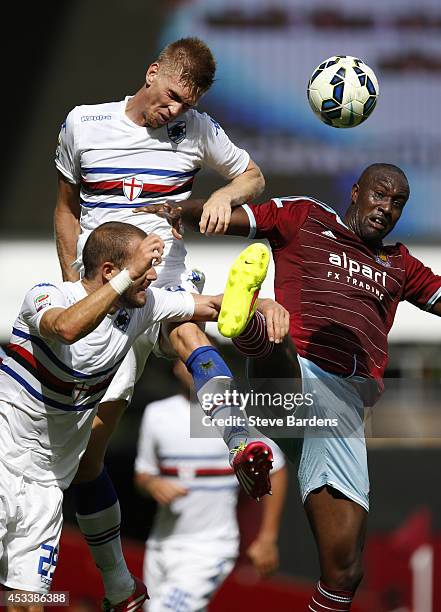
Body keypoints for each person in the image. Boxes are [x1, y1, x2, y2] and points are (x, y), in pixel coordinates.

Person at [139, 163, 441, 610]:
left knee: (345, 571)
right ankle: (250, 327)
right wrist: (183, 208)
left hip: (342, 413)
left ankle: (252, 330)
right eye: (379, 195)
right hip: (295, 377)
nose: (387, 208)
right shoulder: (307, 217)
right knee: (282, 341)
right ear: (356, 192)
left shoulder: (400, 264)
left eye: (397, 202)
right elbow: (232, 218)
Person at [53, 37, 267, 607]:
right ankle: (120, 583)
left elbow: (253, 176)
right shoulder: (84, 123)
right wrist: (73, 282)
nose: (175, 111)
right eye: (171, 96)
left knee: (190, 332)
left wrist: (225, 194)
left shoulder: (196, 128)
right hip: (104, 293)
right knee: (88, 461)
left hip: (164, 278)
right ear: (151, 73)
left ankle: (240, 438)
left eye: (186, 104)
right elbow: (66, 206)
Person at [0, 222, 287, 611]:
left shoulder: (141, 306)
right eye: (145, 265)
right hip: (2, 464)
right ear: (109, 272)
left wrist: (263, 303)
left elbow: (214, 305)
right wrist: (126, 281)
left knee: (24, 603)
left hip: (45, 489)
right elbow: (65, 329)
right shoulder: (46, 295)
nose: (153, 274)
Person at [134, 359, 287, 612]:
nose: (196, 368)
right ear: (175, 366)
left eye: (204, 361)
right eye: (188, 360)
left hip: (210, 547)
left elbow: (276, 469)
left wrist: (268, 538)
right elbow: (142, 475)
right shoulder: (156, 414)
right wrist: (152, 484)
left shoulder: (236, 415)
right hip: (161, 546)